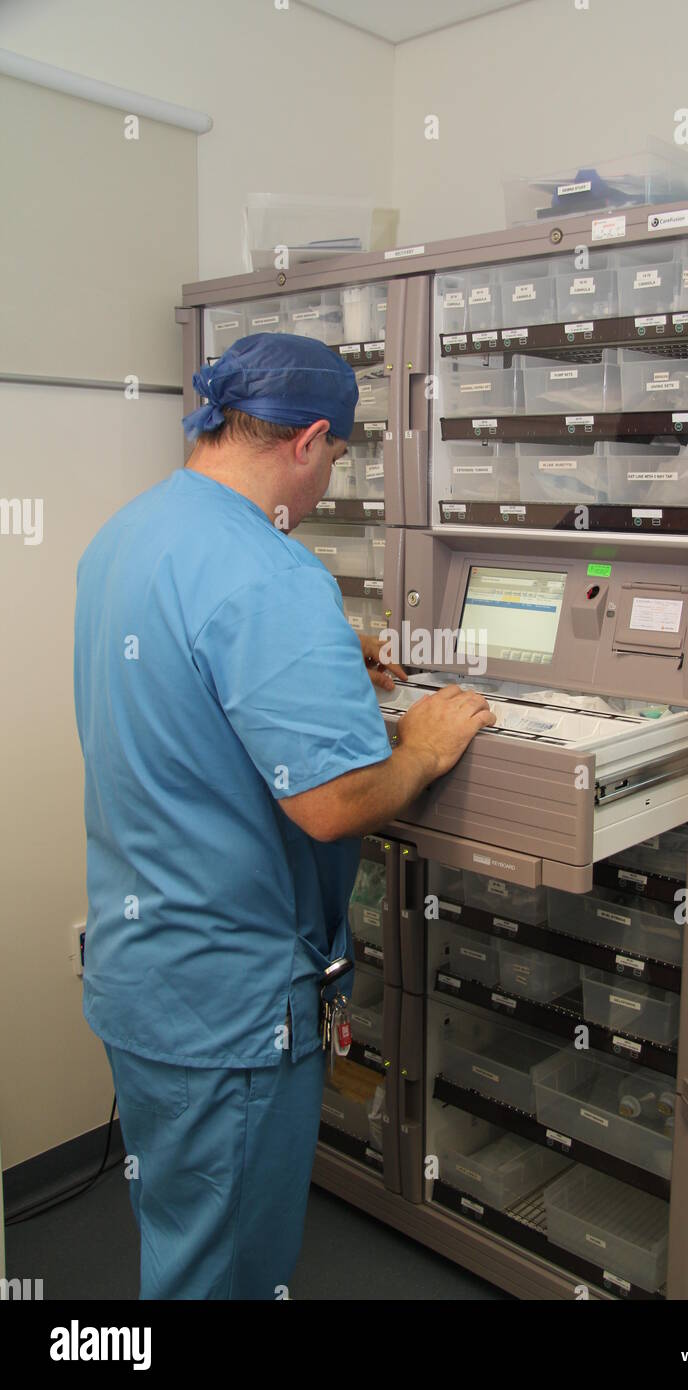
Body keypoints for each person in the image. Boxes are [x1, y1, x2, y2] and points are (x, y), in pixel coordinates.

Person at [73, 332, 494, 1299]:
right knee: (223, 1270)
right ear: (307, 440)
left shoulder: (131, 533)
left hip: (146, 974)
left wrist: (320, 657)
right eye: (337, 457)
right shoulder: (272, 572)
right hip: (231, 1005)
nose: (326, 482)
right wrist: (424, 748)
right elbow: (334, 805)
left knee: (179, 1227)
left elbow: (185, 674)